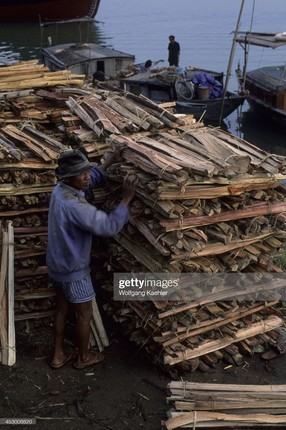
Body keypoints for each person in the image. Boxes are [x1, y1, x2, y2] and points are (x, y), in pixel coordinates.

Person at [46, 148, 137, 370]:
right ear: (68, 177)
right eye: (82, 173)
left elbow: (91, 178)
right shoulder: (76, 206)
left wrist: (110, 161)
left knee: (62, 309)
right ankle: (83, 357)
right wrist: (126, 199)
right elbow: (108, 226)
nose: (87, 176)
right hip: (73, 269)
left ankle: (58, 356)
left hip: (56, 264)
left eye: (87, 170)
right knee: (84, 312)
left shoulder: (60, 191)